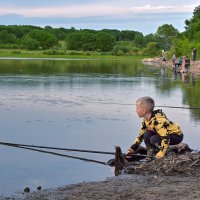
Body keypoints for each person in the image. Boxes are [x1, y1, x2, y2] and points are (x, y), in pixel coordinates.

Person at [126, 96, 183, 161]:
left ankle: (165, 153)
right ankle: (150, 153)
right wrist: (132, 149)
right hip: (162, 135)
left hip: (176, 136)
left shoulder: (158, 121)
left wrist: (161, 153)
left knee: (154, 139)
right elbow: (140, 136)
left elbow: (165, 138)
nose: (135, 110)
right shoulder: (146, 119)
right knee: (146, 134)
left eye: (137, 108)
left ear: (144, 111)